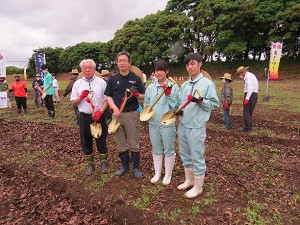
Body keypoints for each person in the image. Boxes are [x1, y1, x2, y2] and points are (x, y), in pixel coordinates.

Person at [177, 53, 219, 198]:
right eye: (187, 64)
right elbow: (181, 104)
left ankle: (198, 186)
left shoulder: (207, 84)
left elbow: (214, 104)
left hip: (196, 126)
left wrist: (202, 102)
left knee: (197, 155)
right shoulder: (184, 85)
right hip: (183, 125)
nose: (190, 67)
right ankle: (189, 180)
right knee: (185, 155)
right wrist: (178, 112)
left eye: (193, 63)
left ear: (200, 64)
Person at [105, 51, 145, 179]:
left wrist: (136, 94)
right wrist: (113, 107)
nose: (122, 63)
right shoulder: (113, 79)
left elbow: (143, 95)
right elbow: (109, 96)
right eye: (119, 60)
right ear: (117, 63)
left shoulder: (136, 79)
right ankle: (124, 167)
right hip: (117, 115)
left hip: (131, 114)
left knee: (134, 142)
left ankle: (136, 168)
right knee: (120, 142)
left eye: (124, 60)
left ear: (129, 63)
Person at [144, 60, 179, 185]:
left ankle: (168, 174)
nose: (158, 73)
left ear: (167, 71)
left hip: (167, 123)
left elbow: (176, 107)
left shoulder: (173, 87)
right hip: (153, 123)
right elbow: (146, 103)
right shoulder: (151, 88)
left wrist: (169, 95)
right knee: (156, 148)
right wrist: (146, 113)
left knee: (169, 148)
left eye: (161, 70)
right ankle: (157, 173)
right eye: (156, 70)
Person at [70, 59, 109, 174]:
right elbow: (73, 102)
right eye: (85, 68)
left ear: (94, 69)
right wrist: (81, 97)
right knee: (86, 140)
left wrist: (100, 111)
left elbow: (106, 100)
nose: (87, 70)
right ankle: (91, 165)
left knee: (101, 139)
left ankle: (104, 164)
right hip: (84, 116)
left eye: (90, 67)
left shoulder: (101, 82)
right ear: (81, 70)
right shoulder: (78, 84)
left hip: (98, 116)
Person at [236, 66, 259, 132]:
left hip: (250, 95)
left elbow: (250, 88)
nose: (240, 75)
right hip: (254, 94)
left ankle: (247, 128)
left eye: (240, 74)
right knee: (249, 112)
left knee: (246, 112)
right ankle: (249, 126)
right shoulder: (251, 75)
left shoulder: (248, 77)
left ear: (243, 72)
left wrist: (247, 98)